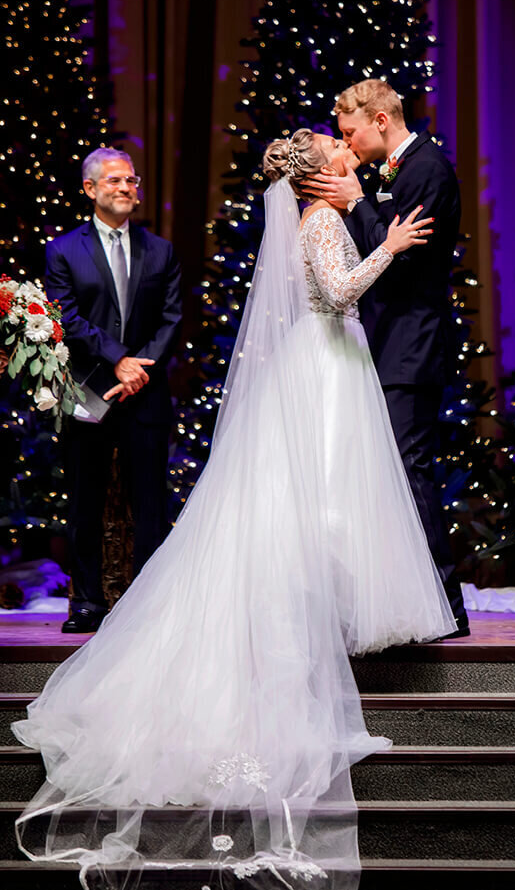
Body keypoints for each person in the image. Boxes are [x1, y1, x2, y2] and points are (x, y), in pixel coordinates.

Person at [13, 131, 455, 890]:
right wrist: (391, 246)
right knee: (311, 509)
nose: (345, 148)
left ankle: (316, 628)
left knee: (325, 511)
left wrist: (378, 226)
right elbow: (340, 292)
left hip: (330, 365)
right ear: (320, 174)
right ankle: (295, 648)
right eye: (333, 146)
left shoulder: (324, 212)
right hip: (324, 369)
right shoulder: (319, 222)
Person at [302, 79, 470, 637]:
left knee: (410, 472)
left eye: (349, 131)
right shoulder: (390, 172)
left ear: (379, 120)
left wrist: (357, 203)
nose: (346, 144)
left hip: (412, 346)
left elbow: (403, 257)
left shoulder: (427, 168)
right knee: (392, 475)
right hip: (387, 344)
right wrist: (361, 202)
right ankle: (408, 603)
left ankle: (446, 606)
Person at [44, 147, 182, 634]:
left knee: (150, 502)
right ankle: (86, 602)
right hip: (90, 390)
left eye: (131, 181)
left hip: (145, 393)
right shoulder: (63, 250)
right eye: (115, 182)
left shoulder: (160, 250)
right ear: (90, 189)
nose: (127, 189)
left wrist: (139, 366)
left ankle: (147, 601)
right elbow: (67, 316)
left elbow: (171, 318)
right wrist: (116, 361)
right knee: (86, 499)